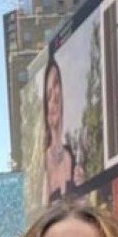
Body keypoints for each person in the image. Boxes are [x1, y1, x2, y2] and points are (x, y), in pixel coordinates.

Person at [41, 56, 75, 206]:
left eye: (56, 85)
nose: (54, 97)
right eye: (48, 95)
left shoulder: (73, 156)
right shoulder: (43, 163)